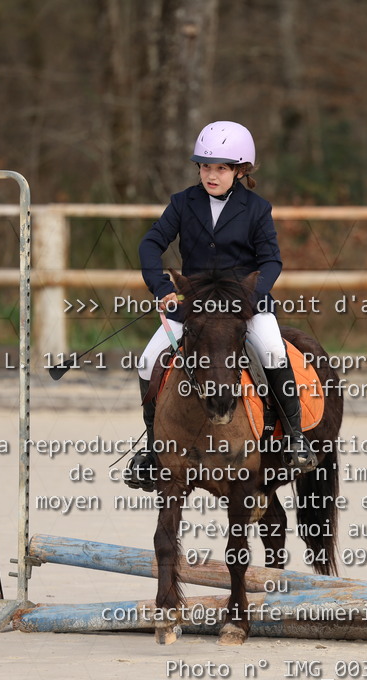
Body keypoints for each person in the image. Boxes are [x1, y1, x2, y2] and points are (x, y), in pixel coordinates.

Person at [123, 120, 316, 491]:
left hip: (244, 305)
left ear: (240, 171)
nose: (211, 175)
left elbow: (271, 260)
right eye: (206, 166)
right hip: (193, 307)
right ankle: (152, 451)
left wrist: (251, 297)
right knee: (147, 361)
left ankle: (294, 438)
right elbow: (150, 244)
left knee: (273, 351)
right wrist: (161, 288)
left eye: (222, 168)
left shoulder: (257, 209)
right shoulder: (182, 203)